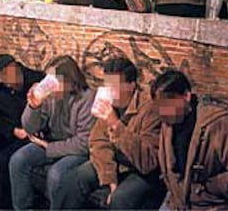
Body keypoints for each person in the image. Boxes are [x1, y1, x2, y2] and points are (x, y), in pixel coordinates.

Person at [150, 70, 228, 210]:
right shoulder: (168, 124)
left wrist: (212, 186)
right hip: (178, 204)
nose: (162, 113)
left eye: (168, 105)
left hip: (212, 206)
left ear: (186, 96)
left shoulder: (221, 126)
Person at [57, 58, 166, 209]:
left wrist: (115, 124)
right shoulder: (110, 104)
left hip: (139, 170)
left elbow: (147, 162)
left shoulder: (150, 110)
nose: (109, 90)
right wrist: (111, 179)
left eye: (115, 85)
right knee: (73, 178)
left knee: (120, 199)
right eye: (107, 84)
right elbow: (98, 142)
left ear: (131, 85)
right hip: (116, 163)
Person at [9, 55, 96, 210]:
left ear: (70, 80)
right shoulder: (51, 96)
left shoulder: (87, 98)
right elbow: (30, 128)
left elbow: (83, 144)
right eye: (48, 79)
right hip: (53, 142)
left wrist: (48, 146)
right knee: (18, 160)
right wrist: (33, 106)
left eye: (55, 81)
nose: (50, 85)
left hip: (75, 151)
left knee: (57, 174)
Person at [0, 54, 45, 209]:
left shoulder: (36, 80)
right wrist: (11, 130)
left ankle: (7, 202)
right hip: (7, 129)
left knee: (5, 158)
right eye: (8, 77)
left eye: (15, 72)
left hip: (31, 131)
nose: (15, 79)